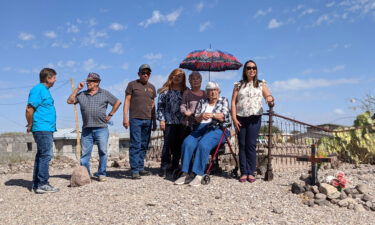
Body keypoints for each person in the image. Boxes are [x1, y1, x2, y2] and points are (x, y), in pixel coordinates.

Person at [67, 72, 121, 182]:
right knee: (85, 154)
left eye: (91, 81)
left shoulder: (104, 93)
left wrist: (110, 114)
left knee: (103, 151)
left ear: (97, 82)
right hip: (87, 129)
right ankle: (86, 175)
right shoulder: (82, 94)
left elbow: (118, 102)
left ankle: (101, 173)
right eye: (87, 81)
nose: (88, 83)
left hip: (101, 128)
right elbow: (69, 101)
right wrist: (77, 89)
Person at [174, 82, 231, 187]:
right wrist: (201, 116)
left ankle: (198, 174)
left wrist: (213, 115)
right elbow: (196, 117)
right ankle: (186, 173)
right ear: (207, 93)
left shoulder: (223, 100)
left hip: (217, 128)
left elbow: (224, 116)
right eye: (210, 90)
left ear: (218, 91)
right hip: (200, 128)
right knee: (187, 143)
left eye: (215, 90)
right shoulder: (202, 101)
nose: (213, 92)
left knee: (203, 144)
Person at [231, 60, 274, 183]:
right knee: (242, 145)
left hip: (255, 117)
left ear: (256, 70)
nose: (252, 70)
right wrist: (234, 118)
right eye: (249, 68)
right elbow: (233, 102)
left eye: (254, 68)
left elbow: (268, 96)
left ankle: (251, 172)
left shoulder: (261, 84)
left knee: (251, 144)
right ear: (245, 70)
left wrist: (270, 99)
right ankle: (244, 172)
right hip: (240, 117)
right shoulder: (238, 85)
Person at [26, 68, 59, 193]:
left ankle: (37, 184)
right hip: (42, 128)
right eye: (54, 77)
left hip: (46, 128)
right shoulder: (38, 89)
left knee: (41, 155)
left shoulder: (44, 90)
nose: (55, 80)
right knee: (46, 155)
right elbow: (29, 109)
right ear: (48, 78)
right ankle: (42, 184)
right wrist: (30, 124)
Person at [123, 64, 157, 179]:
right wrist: (125, 118)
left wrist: (154, 120)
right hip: (135, 119)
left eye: (147, 73)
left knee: (144, 144)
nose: (145, 75)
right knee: (135, 144)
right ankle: (134, 170)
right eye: (143, 73)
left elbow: (153, 105)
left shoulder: (152, 87)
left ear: (150, 75)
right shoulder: (132, 85)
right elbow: (127, 101)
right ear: (139, 74)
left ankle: (141, 167)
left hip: (148, 120)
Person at [157, 68, 188, 177]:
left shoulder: (186, 91)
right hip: (168, 122)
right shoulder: (165, 91)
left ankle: (175, 166)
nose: (177, 78)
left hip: (181, 122)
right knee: (167, 145)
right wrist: (161, 120)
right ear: (171, 76)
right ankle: (164, 167)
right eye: (175, 75)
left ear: (183, 78)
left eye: (180, 76)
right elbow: (160, 107)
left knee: (178, 145)